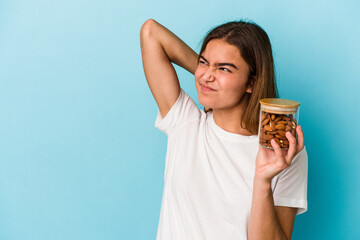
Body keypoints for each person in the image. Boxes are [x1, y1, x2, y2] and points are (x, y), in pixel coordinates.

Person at [140, 19, 307, 240]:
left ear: (252, 83)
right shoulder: (186, 123)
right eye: (204, 62)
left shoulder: (284, 153)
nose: (207, 74)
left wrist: (262, 180)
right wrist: (208, 81)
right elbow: (151, 32)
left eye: (224, 68)